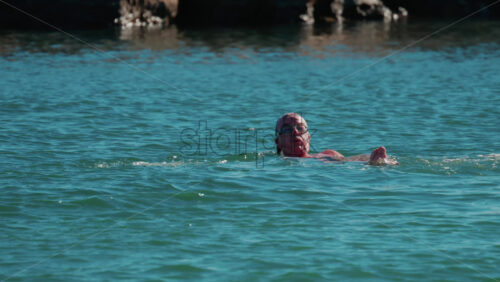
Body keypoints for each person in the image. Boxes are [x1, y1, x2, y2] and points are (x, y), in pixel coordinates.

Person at [274, 112, 398, 165]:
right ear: (278, 142)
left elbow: (350, 160)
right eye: (286, 129)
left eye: (300, 128)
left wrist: (374, 161)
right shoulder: (281, 164)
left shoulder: (328, 154)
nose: (295, 132)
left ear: (309, 137)